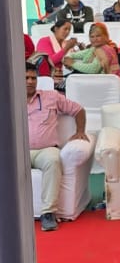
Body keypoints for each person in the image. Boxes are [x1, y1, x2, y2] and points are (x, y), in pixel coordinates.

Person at [26, 65, 88, 232]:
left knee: (53, 161)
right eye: (26, 78)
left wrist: (80, 131)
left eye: (33, 78)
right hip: (18, 151)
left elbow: (78, 110)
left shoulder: (51, 97)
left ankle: (48, 213)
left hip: (46, 150)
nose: (30, 82)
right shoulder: (8, 100)